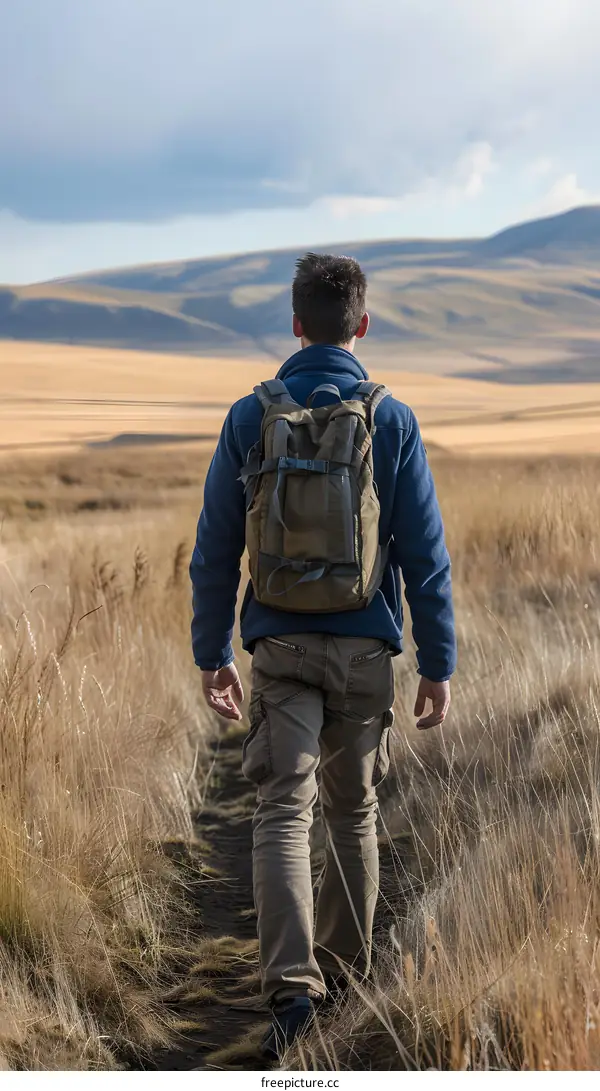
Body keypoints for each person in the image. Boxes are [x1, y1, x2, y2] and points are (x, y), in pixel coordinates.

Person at [190, 252, 456, 1061]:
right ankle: (344, 978)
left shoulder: (250, 415)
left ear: (296, 323)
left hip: (279, 646)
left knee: (280, 812)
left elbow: (213, 549)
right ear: (361, 325)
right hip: (367, 649)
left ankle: (290, 994)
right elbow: (424, 551)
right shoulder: (393, 419)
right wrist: (438, 661)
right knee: (353, 813)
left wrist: (213, 651)